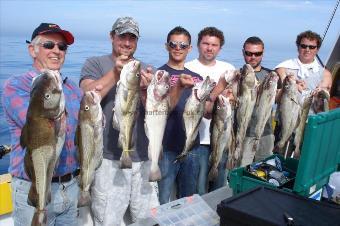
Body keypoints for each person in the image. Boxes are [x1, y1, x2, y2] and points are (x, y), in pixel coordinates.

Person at [79, 17, 160, 225]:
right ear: (111, 36)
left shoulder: (145, 69)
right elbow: (87, 94)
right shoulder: (95, 63)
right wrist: (116, 72)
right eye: (122, 36)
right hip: (108, 158)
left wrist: (146, 91)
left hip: (143, 157)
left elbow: (153, 113)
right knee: (108, 220)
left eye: (132, 38)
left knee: (148, 219)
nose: (127, 42)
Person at [2, 23, 82, 226]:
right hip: (33, 186)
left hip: (70, 185)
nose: (56, 51)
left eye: (62, 47)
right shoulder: (16, 85)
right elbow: (36, 121)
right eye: (48, 45)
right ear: (32, 50)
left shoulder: (73, 88)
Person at [185, 27, 235, 194]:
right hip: (196, 140)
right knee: (197, 188)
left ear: (220, 48)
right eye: (205, 43)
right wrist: (219, 90)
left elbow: (235, 97)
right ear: (198, 45)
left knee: (219, 188)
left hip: (222, 136)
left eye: (214, 45)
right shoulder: (187, 68)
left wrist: (232, 95)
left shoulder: (228, 69)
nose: (209, 48)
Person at [158, 26, 203, 204]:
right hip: (166, 147)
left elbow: (206, 112)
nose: (178, 48)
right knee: (162, 198)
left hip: (192, 147)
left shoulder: (197, 78)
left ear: (190, 48)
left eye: (183, 45)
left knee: (188, 198)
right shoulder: (159, 75)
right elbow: (158, 110)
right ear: (166, 46)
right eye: (173, 44)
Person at [239, 36, 275, 166]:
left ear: (263, 53)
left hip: (266, 133)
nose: (253, 57)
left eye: (257, 53)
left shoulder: (271, 75)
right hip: (244, 134)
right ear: (243, 52)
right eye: (249, 53)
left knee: (266, 169)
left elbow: (281, 96)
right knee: (242, 169)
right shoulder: (237, 76)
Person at [275, 30, 332, 101]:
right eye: (303, 46)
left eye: (312, 47)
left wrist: (319, 92)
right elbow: (275, 97)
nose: (307, 49)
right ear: (298, 47)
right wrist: (292, 87)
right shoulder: (282, 68)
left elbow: (323, 99)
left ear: (317, 49)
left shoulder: (325, 74)